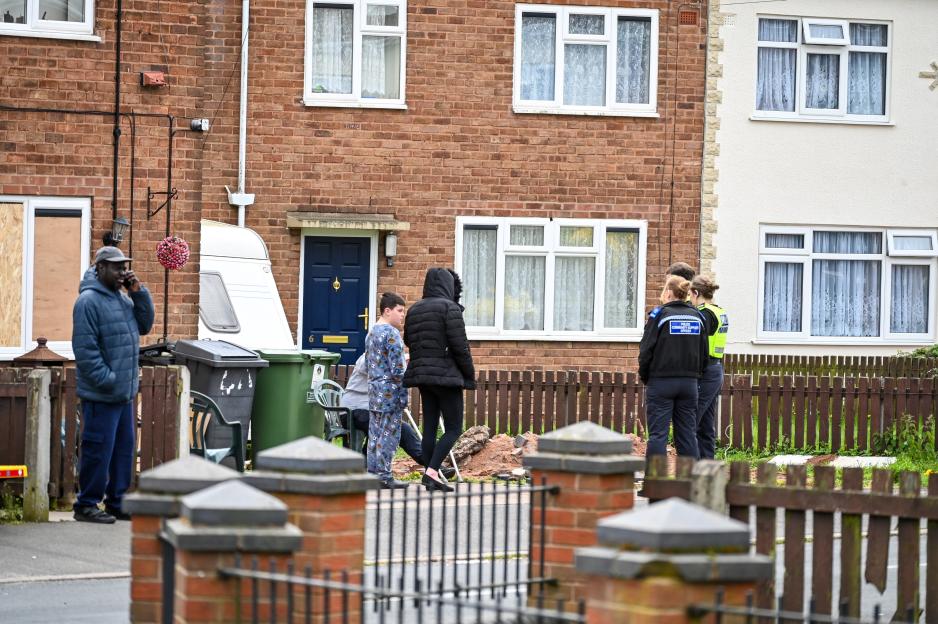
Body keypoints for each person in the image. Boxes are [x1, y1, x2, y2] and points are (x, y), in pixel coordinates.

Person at [71, 246, 154, 523]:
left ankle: (116, 502)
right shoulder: (88, 302)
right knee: (98, 450)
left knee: (122, 451)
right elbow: (85, 351)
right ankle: (86, 504)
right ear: (101, 268)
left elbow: (145, 326)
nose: (122, 272)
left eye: (124, 267)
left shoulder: (124, 298)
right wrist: (109, 380)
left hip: (123, 394)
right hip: (102, 393)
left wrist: (138, 291)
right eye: (117, 267)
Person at [404, 268, 475, 493]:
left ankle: (429, 472)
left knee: (430, 427)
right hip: (446, 378)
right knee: (454, 427)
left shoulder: (414, 309)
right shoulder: (449, 308)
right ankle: (432, 472)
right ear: (449, 286)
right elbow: (460, 346)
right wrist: (469, 376)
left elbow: (409, 340)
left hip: (423, 377)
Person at [340, 352, 456, 479]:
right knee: (391, 428)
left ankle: (434, 469)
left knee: (402, 429)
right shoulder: (367, 357)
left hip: (373, 413)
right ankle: (372, 470)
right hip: (351, 411)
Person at [638, 275, 708, 458]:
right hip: (689, 384)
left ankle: (656, 485)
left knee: (658, 436)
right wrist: (696, 376)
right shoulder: (698, 316)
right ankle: (689, 484)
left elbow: (645, 351)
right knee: (687, 435)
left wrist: (646, 377)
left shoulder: (659, 315)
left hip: (661, 383)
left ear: (668, 292)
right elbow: (705, 354)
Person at [365, 292, 410, 489]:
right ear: (387, 310)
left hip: (374, 389)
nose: (402, 315)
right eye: (400, 311)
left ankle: (373, 474)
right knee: (389, 434)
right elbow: (398, 369)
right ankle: (385, 476)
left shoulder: (372, 331)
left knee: (375, 433)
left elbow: (369, 363)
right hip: (390, 391)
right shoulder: (391, 334)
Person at [690, 275, 728, 460]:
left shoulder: (704, 314)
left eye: (690, 295)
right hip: (716, 369)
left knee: (691, 420)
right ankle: (707, 465)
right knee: (706, 423)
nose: (690, 299)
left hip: (705, 371)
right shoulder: (719, 311)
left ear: (696, 293)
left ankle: (692, 467)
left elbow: (697, 343)